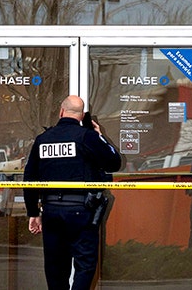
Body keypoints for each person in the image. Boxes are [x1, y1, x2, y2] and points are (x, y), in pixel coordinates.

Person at [24, 95, 121, 290]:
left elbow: (29, 178)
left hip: (51, 210)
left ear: (61, 111)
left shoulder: (43, 139)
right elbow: (114, 162)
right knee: (85, 265)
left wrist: (33, 213)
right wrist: (99, 135)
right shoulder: (87, 137)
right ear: (82, 115)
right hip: (81, 211)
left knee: (55, 268)